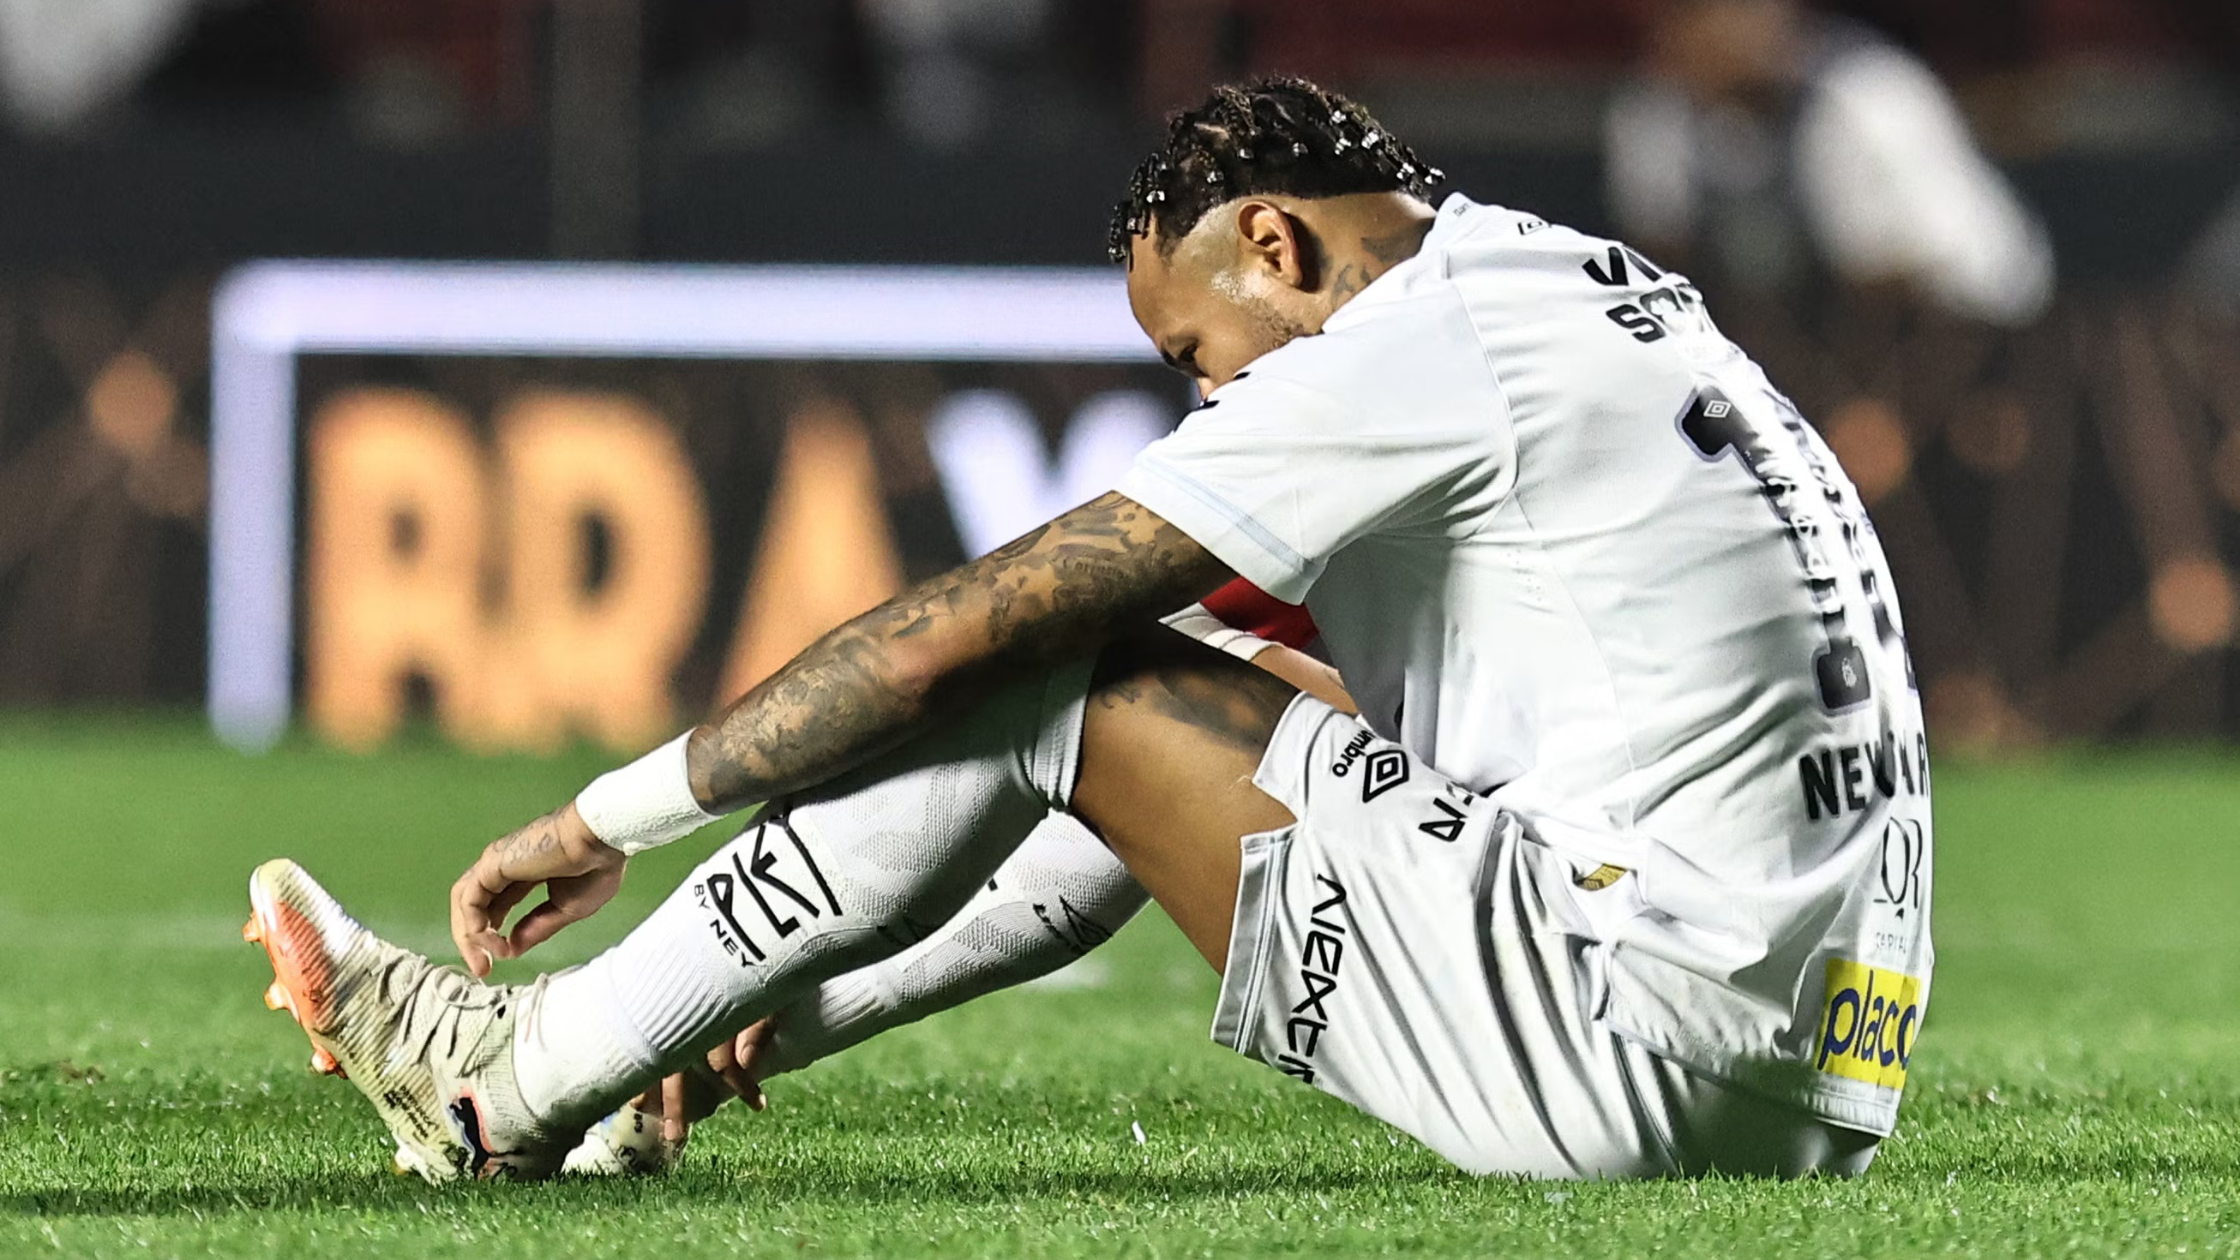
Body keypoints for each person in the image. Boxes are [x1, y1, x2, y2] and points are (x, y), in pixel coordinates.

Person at [244, 76, 1932, 1182]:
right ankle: (626, 1068)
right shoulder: (1576, 290)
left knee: (1062, 660)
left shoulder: (1411, 348)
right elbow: (1190, 738)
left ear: (1274, 245)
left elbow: (945, 648)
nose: (1205, 401)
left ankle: (514, 1086)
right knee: (1196, 700)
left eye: (1198, 356)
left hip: (1641, 1044)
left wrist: (602, 814)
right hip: (1815, 1081)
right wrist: (731, 983)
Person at [1607, 0, 2052, 326]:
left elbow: (1955, 272)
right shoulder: (1654, 118)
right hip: (1794, 362)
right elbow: (1658, 267)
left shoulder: (1866, 96)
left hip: (1965, 338)